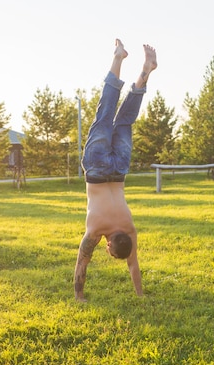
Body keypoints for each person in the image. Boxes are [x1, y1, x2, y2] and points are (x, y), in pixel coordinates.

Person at [74, 39, 157, 302]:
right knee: (105, 113)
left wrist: (141, 294)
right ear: (109, 244)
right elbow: (81, 264)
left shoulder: (131, 229)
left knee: (124, 120)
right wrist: (79, 295)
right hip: (97, 169)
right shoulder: (95, 230)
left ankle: (145, 72)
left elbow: (134, 264)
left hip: (120, 169)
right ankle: (118, 57)